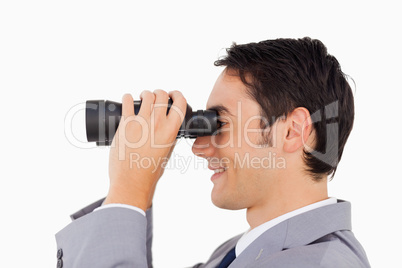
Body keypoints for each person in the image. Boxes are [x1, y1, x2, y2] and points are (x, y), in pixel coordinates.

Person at [55, 37, 370, 267]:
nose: (198, 147)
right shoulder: (238, 252)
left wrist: (128, 192)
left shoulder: (319, 264)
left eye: (218, 123)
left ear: (291, 130)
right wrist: (137, 198)